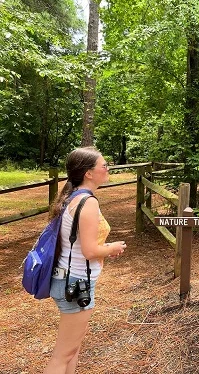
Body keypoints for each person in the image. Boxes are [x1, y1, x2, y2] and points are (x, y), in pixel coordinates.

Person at [43, 147, 127, 374]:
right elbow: (90, 250)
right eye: (103, 165)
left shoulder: (73, 197)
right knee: (63, 355)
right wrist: (112, 247)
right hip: (76, 284)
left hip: (70, 281)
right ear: (88, 173)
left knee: (72, 350)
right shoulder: (87, 202)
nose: (107, 168)